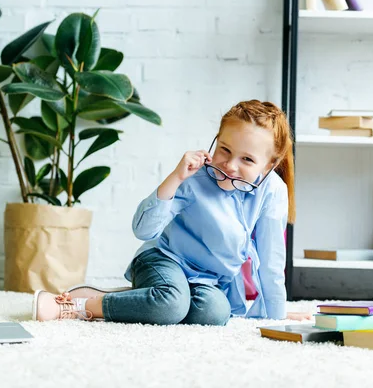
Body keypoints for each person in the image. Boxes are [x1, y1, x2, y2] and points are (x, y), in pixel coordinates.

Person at [32, 100, 312, 325]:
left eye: (248, 159)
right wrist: (175, 178)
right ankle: (79, 306)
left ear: (270, 164)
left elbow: (272, 259)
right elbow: (143, 230)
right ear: (216, 140)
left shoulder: (273, 192)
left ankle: (143, 298)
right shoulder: (195, 177)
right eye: (225, 150)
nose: (230, 166)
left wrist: (276, 316)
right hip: (164, 259)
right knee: (171, 304)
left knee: (214, 314)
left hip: (208, 279)